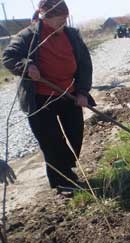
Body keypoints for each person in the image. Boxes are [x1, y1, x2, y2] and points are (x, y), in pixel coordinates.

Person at [2, 0, 95, 191]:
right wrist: (27, 66)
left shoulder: (72, 36)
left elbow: (85, 65)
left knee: (75, 135)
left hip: (69, 95)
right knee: (51, 142)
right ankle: (62, 182)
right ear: (45, 17)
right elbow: (8, 57)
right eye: (58, 21)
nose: (62, 25)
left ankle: (65, 167)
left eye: (64, 20)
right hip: (40, 99)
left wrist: (83, 92)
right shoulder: (28, 36)